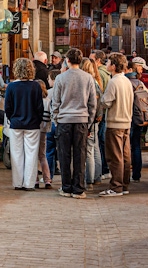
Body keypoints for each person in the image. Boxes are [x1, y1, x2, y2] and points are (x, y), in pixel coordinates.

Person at [50, 48, 97, 199]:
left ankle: (66, 187)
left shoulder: (60, 78)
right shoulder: (88, 78)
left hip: (64, 121)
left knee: (64, 155)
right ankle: (79, 189)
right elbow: (92, 104)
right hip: (82, 121)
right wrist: (89, 122)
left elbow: (55, 102)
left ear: (67, 61)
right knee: (80, 155)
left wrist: (56, 119)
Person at [5, 58, 44, 191]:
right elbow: (40, 107)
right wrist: (37, 120)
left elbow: (7, 108)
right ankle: (29, 183)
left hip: (16, 124)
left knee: (16, 154)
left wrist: (12, 119)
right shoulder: (36, 86)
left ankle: (17, 183)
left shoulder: (11, 87)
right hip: (32, 124)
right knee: (31, 154)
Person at [98, 53, 134, 197]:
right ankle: (124, 184)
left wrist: (99, 99)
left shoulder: (113, 82)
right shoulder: (126, 81)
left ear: (113, 66)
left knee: (115, 156)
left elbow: (106, 102)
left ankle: (116, 186)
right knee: (125, 155)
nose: (106, 65)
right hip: (126, 122)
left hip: (115, 123)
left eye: (108, 63)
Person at [125, 60, 148, 183]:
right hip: (138, 117)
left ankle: (124, 174)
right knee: (136, 146)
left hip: (127, 117)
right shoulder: (139, 83)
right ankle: (136, 174)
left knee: (125, 146)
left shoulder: (124, 82)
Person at [80, 57, 103, 190]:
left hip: (90, 120)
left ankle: (89, 178)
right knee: (95, 148)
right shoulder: (96, 81)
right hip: (95, 119)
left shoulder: (90, 82)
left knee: (89, 149)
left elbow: (94, 103)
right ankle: (97, 176)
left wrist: (93, 118)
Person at [89, 49, 111, 179]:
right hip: (102, 112)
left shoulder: (100, 75)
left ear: (97, 60)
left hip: (99, 113)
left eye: (92, 60)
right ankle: (102, 169)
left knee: (98, 143)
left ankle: (102, 170)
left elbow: (99, 96)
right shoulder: (105, 74)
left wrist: (99, 112)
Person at [35, 79, 53, 189]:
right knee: (42, 155)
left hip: (35, 128)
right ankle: (47, 180)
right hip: (45, 130)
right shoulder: (48, 100)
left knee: (33, 155)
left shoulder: (35, 101)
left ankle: (35, 180)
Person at [46, 69, 62, 181]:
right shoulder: (64, 91)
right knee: (63, 151)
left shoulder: (48, 93)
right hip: (62, 123)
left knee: (49, 151)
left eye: (49, 78)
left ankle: (49, 176)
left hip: (51, 123)